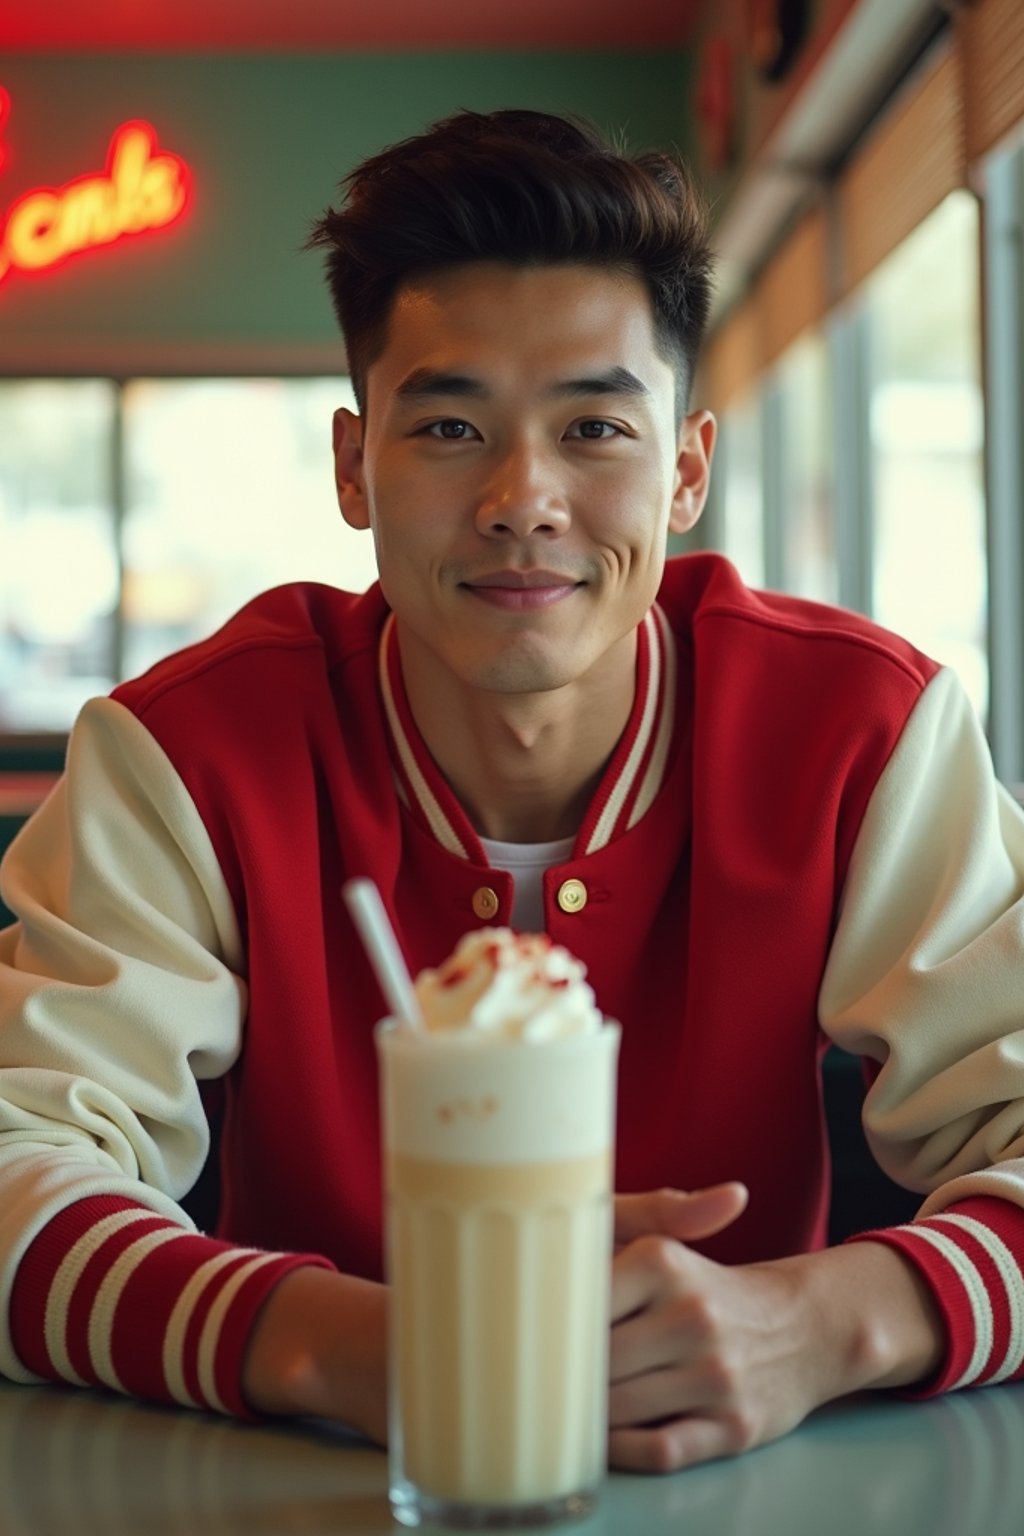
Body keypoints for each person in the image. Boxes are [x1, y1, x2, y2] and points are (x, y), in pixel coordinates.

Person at [1, 108, 1023, 1474]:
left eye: (596, 424)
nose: (522, 497)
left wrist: (830, 1322)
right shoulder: (186, 752)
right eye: (450, 425)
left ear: (689, 470)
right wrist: (348, 1347)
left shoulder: (860, 728)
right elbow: (16, 1170)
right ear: (356, 467)